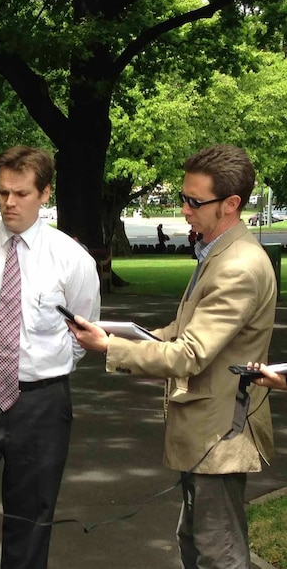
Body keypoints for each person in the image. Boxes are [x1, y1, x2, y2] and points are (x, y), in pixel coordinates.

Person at [68, 144, 275, 569]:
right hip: (207, 432)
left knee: (218, 553)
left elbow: (190, 354)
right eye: (183, 197)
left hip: (220, 433)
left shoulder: (237, 265)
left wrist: (111, 349)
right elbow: (179, 333)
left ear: (231, 204)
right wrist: (115, 331)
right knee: (197, 542)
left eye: (195, 201)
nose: (184, 210)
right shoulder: (217, 252)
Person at [0, 145, 100, 569]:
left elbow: (84, 335)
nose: (9, 203)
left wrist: (41, 371)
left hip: (43, 403)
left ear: (45, 193)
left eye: (21, 193)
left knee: (30, 518)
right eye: (2, 193)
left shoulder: (72, 259)